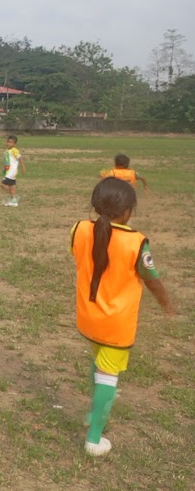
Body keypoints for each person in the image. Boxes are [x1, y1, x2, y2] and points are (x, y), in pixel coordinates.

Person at [71, 177, 176, 456]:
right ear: (128, 210)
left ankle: (93, 411)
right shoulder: (136, 242)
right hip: (115, 325)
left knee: (99, 363)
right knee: (108, 375)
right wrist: (166, 303)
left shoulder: (79, 229)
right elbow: (151, 280)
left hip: (88, 318)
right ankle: (94, 440)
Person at [0, 135, 26, 207]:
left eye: (11, 142)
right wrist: (5, 169)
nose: (9, 143)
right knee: (11, 186)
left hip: (11, 172)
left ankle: (14, 197)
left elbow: (20, 158)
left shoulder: (14, 150)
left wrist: (23, 167)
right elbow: (7, 161)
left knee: (2, 185)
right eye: (8, 142)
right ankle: (13, 202)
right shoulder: (8, 151)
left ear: (15, 144)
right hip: (8, 171)